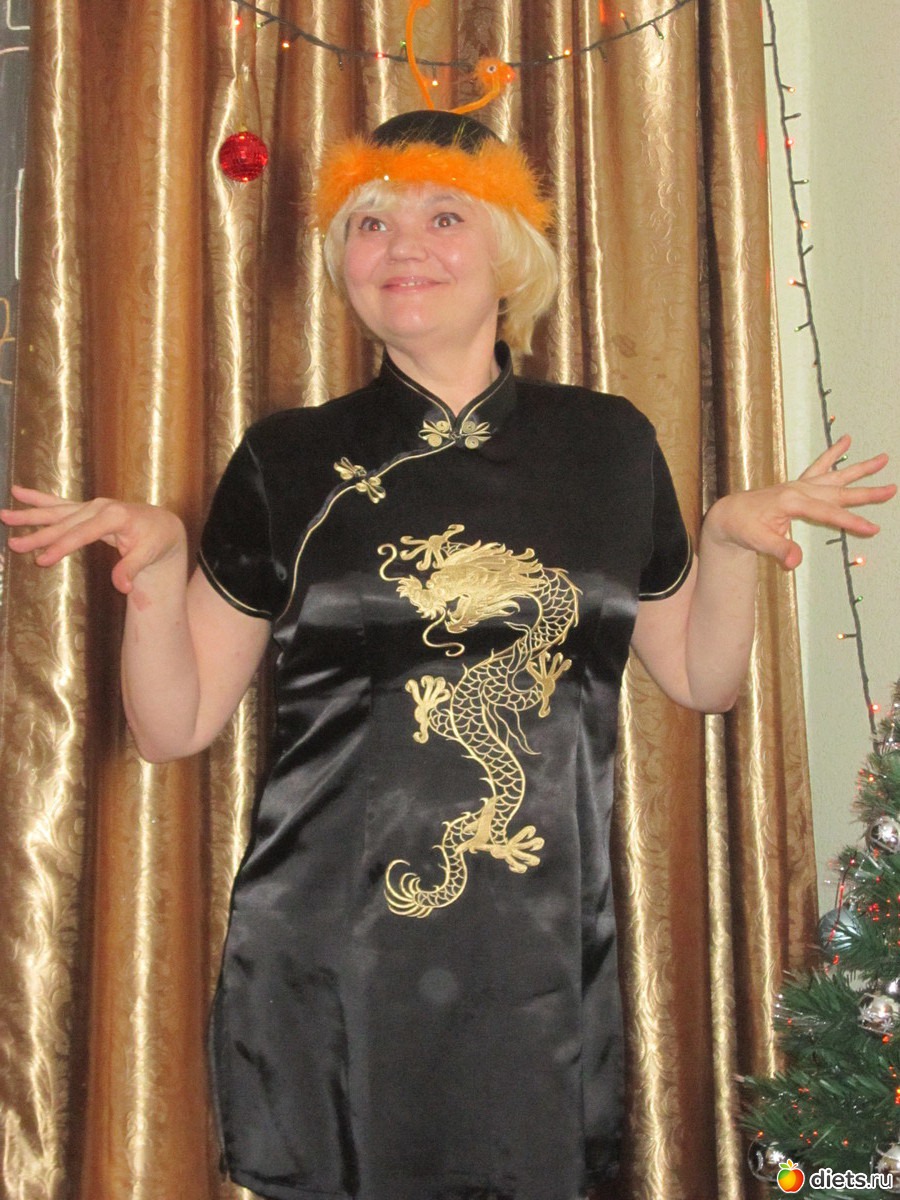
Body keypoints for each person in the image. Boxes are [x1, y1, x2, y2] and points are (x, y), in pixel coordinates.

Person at [1, 110, 895, 1200]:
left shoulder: (608, 443)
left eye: (443, 218)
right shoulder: (290, 459)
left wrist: (727, 541)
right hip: (331, 950)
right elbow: (171, 726)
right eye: (370, 224)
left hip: (538, 954)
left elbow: (704, 683)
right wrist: (156, 573)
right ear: (344, 265)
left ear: (509, 254)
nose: (402, 247)